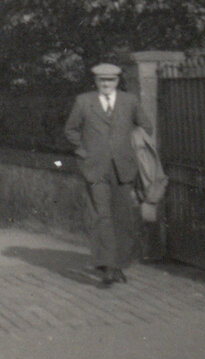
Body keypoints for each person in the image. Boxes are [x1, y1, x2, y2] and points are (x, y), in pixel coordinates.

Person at [64, 62, 152, 287]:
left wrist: (132, 145)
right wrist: (84, 152)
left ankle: (119, 264)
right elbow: (71, 130)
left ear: (117, 81)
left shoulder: (129, 101)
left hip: (124, 168)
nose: (106, 84)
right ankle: (108, 267)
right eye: (102, 80)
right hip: (96, 169)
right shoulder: (84, 102)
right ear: (95, 81)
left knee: (123, 218)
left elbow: (146, 126)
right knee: (102, 216)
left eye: (110, 80)